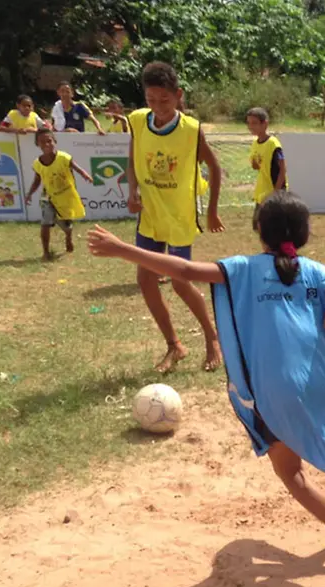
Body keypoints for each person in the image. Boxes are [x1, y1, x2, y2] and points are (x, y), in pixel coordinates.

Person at [86, 191, 325, 561]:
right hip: (319, 385)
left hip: (272, 389)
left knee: (292, 475)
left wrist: (122, 248)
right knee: (307, 421)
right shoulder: (318, 273)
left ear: (259, 228)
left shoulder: (240, 268)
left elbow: (185, 271)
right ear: (303, 234)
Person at [126, 61, 224, 373]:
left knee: (182, 284)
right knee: (145, 279)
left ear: (178, 95)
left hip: (180, 217)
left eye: (164, 100)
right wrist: (132, 190)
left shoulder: (191, 130)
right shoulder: (138, 122)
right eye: (151, 100)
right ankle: (174, 345)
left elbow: (215, 167)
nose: (158, 107)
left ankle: (212, 337)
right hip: (151, 215)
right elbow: (131, 158)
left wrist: (210, 210)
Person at [25, 128, 92, 260]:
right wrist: (29, 194)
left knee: (66, 225)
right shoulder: (37, 164)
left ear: (55, 141)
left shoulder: (63, 157)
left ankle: (68, 236)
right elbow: (37, 180)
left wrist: (85, 175)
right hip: (48, 197)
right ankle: (46, 252)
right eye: (42, 142)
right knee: (45, 223)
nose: (46, 144)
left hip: (65, 196)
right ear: (37, 144)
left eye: (49, 141)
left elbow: (76, 167)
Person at [246, 107, 287, 229]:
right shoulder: (255, 143)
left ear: (265, 124)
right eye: (248, 123)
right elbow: (256, 166)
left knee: (271, 227)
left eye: (254, 123)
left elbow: (283, 169)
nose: (251, 126)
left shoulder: (273, 144)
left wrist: (276, 192)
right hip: (262, 191)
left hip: (274, 191)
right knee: (258, 226)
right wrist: (255, 163)